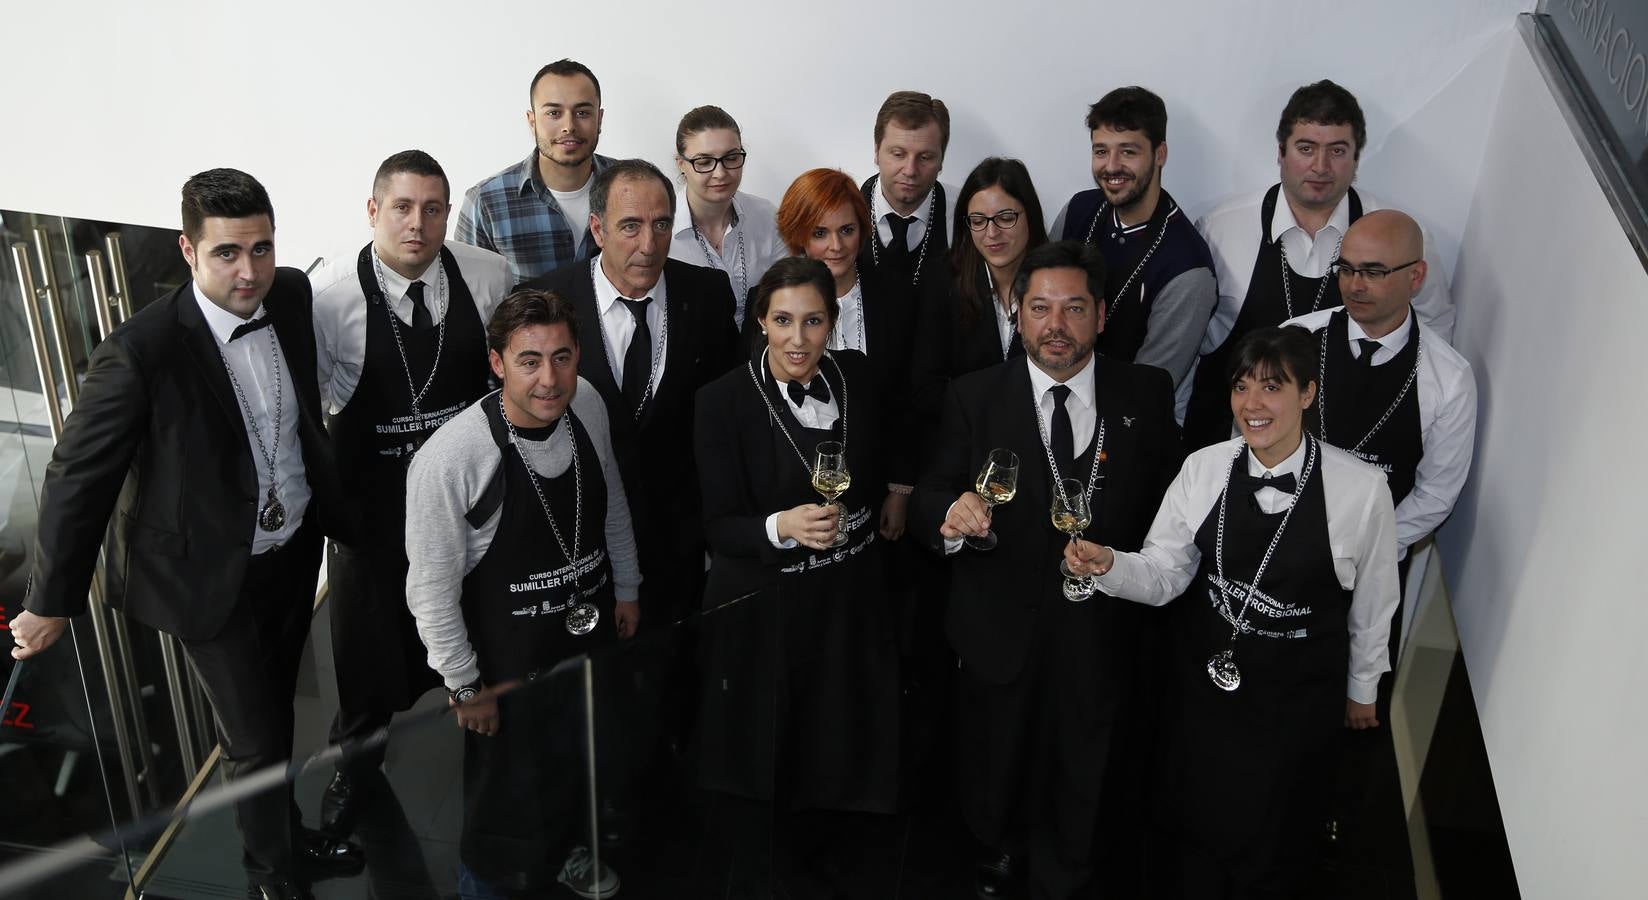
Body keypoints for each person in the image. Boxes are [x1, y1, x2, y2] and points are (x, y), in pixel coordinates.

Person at [10, 169, 360, 900]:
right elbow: (78, 476)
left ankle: (286, 837)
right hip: (206, 576)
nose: (250, 271)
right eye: (229, 253)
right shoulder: (140, 351)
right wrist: (49, 601)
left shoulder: (289, 295)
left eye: (261, 249)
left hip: (292, 553)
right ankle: (271, 875)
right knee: (254, 737)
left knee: (275, 717)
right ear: (188, 251)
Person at [1070, 325, 1400, 899]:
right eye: (1241, 387)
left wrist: (1364, 689)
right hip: (1204, 691)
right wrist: (1110, 567)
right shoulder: (1204, 467)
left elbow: (1374, 603)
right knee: (1190, 825)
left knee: (1274, 838)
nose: (1253, 404)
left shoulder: (1363, 489)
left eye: (1272, 387)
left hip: (1297, 697)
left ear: (1307, 394)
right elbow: (1165, 572)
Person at [910, 241, 1180, 899]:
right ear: (1018, 313)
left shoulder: (1145, 392)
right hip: (1000, 626)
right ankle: (999, 849)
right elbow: (928, 494)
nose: (1056, 325)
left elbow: (1170, 510)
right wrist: (951, 514)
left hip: (1102, 628)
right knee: (997, 758)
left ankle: (1073, 864)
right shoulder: (974, 396)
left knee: (1087, 764)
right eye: (1040, 308)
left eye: (1073, 308)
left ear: (1101, 316)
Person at [403, 289, 640, 899]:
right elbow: (429, 590)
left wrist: (628, 587)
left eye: (562, 357)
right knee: (501, 800)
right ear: (497, 362)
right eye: (529, 361)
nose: (550, 379)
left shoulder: (586, 403)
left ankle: (567, 853)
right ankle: (483, 887)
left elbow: (611, 501)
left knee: (578, 761)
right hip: (504, 662)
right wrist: (462, 684)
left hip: (583, 641)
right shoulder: (453, 458)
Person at [308, 149, 512, 834]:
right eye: (401, 207)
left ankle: (498, 776)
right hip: (371, 511)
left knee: (483, 642)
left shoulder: (487, 276)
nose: (417, 224)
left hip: (466, 508)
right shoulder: (330, 296)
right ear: (373, 211)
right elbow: (311, 410)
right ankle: (356, 774)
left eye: (433, 209)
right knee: (367, 661)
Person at [1282, 209, 1476, 883]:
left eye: (1372, 271)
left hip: (1369, 577)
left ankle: (1325, 831)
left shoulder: (1448, 379)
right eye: (1345, 268)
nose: (1354, 284)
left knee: (1349, 710)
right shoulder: (1295, 340)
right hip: (1275, 555)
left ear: (1415, 277)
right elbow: (1251, 438)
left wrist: (1366, 551)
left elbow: (1437, 494)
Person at [693, 257, 900, 889]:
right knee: (771, 740)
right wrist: (781, 527)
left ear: (834, 324)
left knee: (841, 725)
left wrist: (897, 490)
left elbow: (887, 447)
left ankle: (835, 844)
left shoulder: (859, 376)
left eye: (813, 321)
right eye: (782, 320)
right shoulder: (721, 401)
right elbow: (718, 526)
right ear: (760, 322)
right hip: (767, 603)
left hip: (849, 596)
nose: (798, 339)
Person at [519, 158, 740, 629]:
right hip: (580, 542)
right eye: (630, 226)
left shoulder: (707, 293)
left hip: (680, 542)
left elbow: (725, 416)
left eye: (661, 225)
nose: (648, 244)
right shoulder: (544, 300)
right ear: (597, 229)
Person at [1185, 79, 1456, 449]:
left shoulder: (1401, 236)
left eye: (1337, 150)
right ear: (1281, 152)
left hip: (1342, 446)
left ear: (1356, 158)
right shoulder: (1220, 228)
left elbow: (1435, 332)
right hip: (1223, 436)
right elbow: (1190, 342)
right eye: (1306, 148)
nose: (1320, 166)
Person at [1049, 86, 1216, 421]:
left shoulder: (1187, 267)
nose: (1111, 167)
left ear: (1160, 154)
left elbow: (1149, 387)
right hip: (1056, 394)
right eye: (1101, 151)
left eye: (1128, 152)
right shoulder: (1078, 210)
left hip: (1129, 423)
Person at [773, 168, 919, 539]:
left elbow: (911, 397)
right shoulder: (770, 303)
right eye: (820, 233)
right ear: (798, 236)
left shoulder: (898, 297)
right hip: (791, 501)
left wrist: (900, 490)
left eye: (847, 230)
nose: (836, 246)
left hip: (877, 487)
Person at [456, 60, 614, 283]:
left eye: (582, 113)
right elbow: (471, 296)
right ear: (532, 122)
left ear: (600, 119)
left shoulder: (632, 187)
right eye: (553, 113)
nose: (569, 125)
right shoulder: (485, 203)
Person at [922, 156, 1046, 382]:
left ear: (1031, 214)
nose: (991, 233)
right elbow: (928, 384)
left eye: (1006, 218)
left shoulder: (1060, 279)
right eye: (978, 221)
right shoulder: (942, 280)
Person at [668, 105, 788, 327]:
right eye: (704, 162)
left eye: (731, 158)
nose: (720, 173)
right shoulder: (661, 230)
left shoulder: (766, 216)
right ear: (681, 164)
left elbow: (788, 295)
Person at [860, 91, 954, 290]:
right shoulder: (844, 214)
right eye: (898, 154)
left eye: (925, 157)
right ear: (876, 152)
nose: (910, 171)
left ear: (941, 160)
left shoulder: (968, 219)